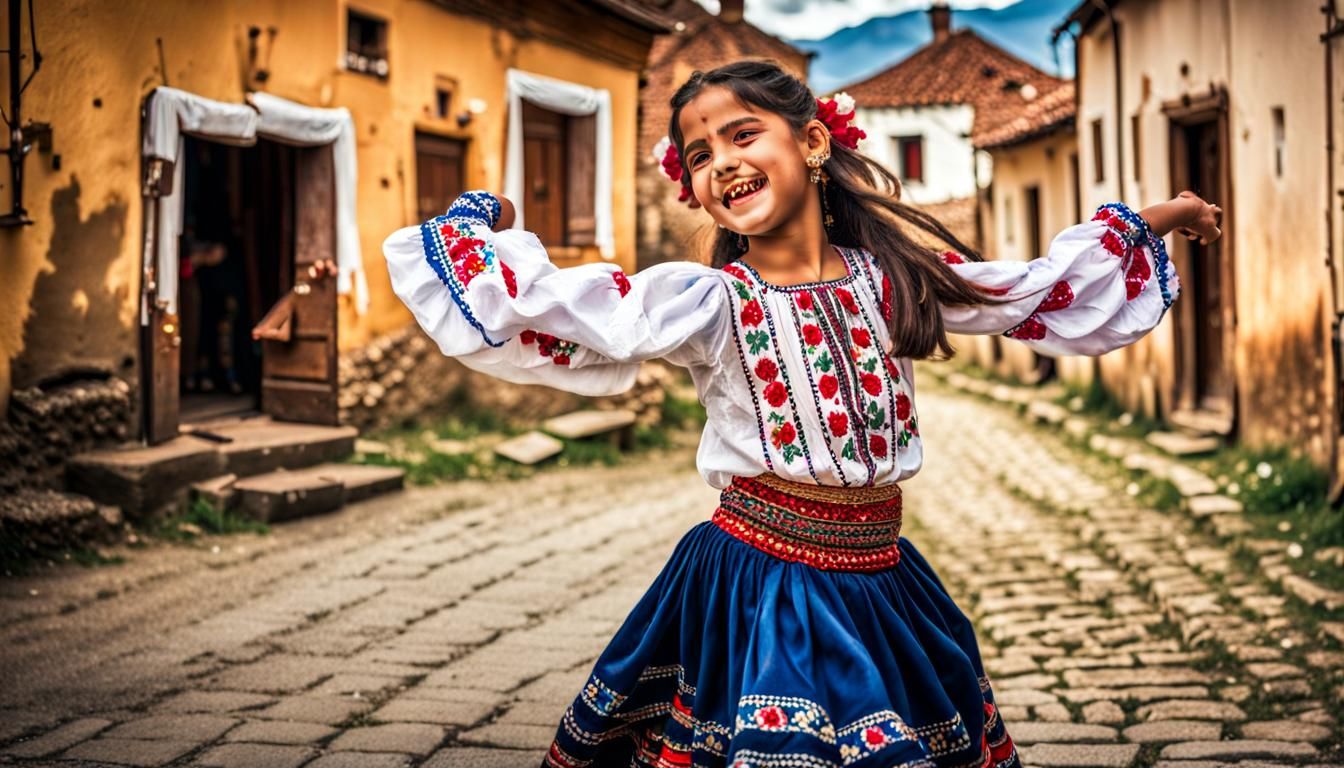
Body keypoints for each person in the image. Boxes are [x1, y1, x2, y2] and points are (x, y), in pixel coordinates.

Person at [383, 60, 1221, 768]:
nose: (722, 163)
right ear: (696, 193)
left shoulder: (890, 278)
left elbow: (1026, 289)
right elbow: (562, 308)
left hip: (884, 581)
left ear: (813, 143)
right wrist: (478, 225)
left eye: (744, 135)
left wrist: (1159, 219)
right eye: (699, 154)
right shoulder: (708, 301)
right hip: (760, 582)